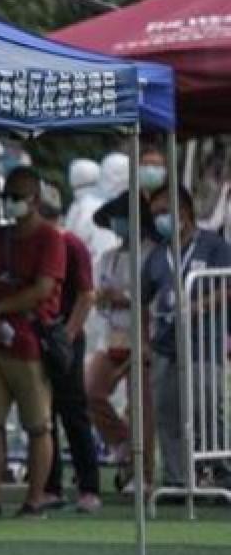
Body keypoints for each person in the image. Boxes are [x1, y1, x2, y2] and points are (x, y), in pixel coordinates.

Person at [0, 166, 67, 518]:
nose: (10, 203)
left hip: (29, 344)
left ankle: (35, 496)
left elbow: (43, 289)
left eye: (17, 197)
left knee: (38, 425)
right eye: (6, 197)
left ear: (35, 199)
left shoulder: (51, 238)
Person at [143, 185, 231, 491]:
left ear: (184, 211)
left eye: (164, 212)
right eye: (155, 214)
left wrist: (195, 306)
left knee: (208, 406)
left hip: (204, 343)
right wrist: (143, 341)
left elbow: (227, 286)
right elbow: (143, 299)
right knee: (168, 412)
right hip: (165, 346)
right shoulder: (156, 255)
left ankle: (218, 469)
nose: (159, 219)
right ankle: (177, 478)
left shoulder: (214, 246)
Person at [86, 200, 157, 490]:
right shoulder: (107, 257)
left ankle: (145, 473)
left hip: (145, 336)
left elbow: (155, 297)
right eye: (115, 219)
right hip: (113, 336)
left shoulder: (154, 254)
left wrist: (124, 297)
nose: (119, 224)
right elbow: (97, 295)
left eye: (124, 218)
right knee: (91, 391)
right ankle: (123, 443)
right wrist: (102, 297)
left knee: (141, 405)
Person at [37, 199, 102, 513]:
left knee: (72, 410)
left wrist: (67, 336)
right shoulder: (37, 244)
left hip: (64, 335)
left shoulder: (71, 245)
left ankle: (89, 486)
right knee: (42, 412)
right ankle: (49, 485)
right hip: (41, 334)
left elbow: (87, 295)